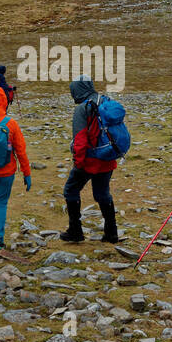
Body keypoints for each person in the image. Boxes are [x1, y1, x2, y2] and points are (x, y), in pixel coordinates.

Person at [61, 74, 117, 243]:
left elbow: (79, 139)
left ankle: (75, 231)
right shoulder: (105, 101)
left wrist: (78, 162)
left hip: (89, 160)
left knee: (70, 190)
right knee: (102, 193)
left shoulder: (83, 108)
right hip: (108, 157)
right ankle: (111, 233)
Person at [0, 85, 32, 250]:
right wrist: (27, 173)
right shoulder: (12, 124)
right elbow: (21, 151)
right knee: (1, 203)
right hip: (7, 172)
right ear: (5, 102)